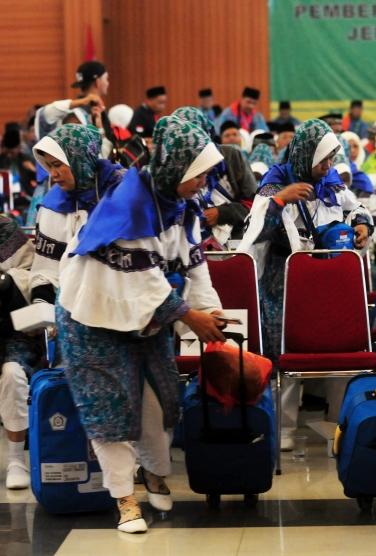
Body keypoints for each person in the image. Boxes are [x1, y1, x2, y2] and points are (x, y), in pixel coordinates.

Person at [57, 116, 227, 533]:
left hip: (146, 321)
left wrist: (215, 315)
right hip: (93, 318)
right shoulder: (130, 204)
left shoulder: (180, 203)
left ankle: (153, 471)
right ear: (176, 168)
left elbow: (194, 262)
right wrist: (190, 317)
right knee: (109, 408)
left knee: (158, 403)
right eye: (198, 174)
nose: (203, 183)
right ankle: (124, 499)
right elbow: (142, 279)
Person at [236, 119, 372, 450]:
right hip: (284, 281)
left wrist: (362, 226)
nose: (327, 166)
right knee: (287, 347)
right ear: (304, 155)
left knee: (338, 343)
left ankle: (339, 422)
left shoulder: (331, 184)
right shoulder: (273, 185)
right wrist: (281, 200)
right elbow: (257, 232)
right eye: (321, 160)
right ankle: (284, 428)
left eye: (330, 159)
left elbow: (359, 209)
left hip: (328, 280)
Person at [29, 124, 127, 305]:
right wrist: (41, 299)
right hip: (72, 303)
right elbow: (46, 269)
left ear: (79, 159)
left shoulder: (122, 192)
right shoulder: (53, 205)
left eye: (58, 165)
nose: (53, 174)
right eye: (49, 166)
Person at [172, 106, 257, 246]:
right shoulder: (172, 167)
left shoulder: (231, 157)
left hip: (236, 242)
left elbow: (256, 206)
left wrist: (222, 213)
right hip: (184, 243)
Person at [0, 217, 39, 490]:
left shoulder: (7, 230)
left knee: (13, 373)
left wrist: (7, 280)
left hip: (13, 329)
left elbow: (30, 274)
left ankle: (16, 460)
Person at [34, 61, 114, 157]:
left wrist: (100, 128)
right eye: (106, 79)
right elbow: (45, 113)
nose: (108, 83)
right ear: (98, 82)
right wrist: (83, 101)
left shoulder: (97, 111)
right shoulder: (75, 114)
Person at [340, 131, 373, 200]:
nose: (352, 150)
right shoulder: (336, 167)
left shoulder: (369, 164)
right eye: (348, 147)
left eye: (355, 146)